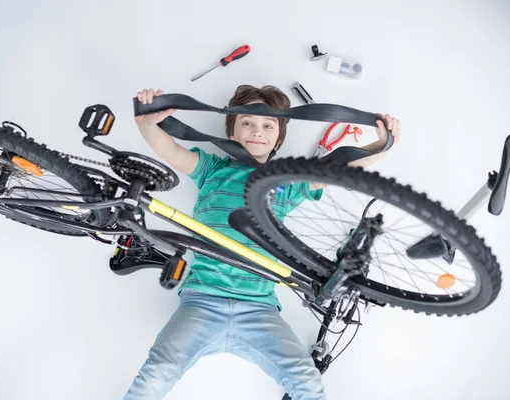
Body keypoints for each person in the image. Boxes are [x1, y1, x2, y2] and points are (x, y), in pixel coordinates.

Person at [124, 85, 401, 400]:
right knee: (157, 372)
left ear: (279, 137)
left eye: (268, 125)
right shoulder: (213, 170)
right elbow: (171, 151)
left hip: (259, 309)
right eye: (247, 123)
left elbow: (337, 171)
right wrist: (148, 123)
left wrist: (381, 145)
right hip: (201, 302)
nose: (257, 131)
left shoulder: (284, 182)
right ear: (231, 130)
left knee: (307, 382)